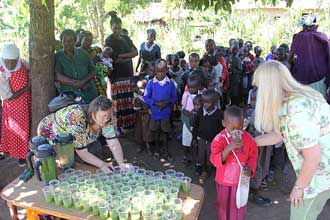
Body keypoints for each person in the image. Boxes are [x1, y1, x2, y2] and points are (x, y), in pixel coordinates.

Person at [253, 60, 330, 220]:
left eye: (260, 87)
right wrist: (251, 142)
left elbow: (313, 158)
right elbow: (280, 134)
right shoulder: (296, 98)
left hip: (321, 174)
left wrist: (299, 187)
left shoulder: (297, 111)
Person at [38, 96, 124, 173]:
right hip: (51, 131)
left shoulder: (105, 117)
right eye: (104, 116)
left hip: (77, 131)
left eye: (109, 115)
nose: (107, 119)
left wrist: (121, 164)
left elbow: (112, 141)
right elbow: (82, 152)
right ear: (93, 115)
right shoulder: (76, 118)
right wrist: (102, 165)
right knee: (70, 163)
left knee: (94, 154)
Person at [210, 106, 258, 220]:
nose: (237, 131)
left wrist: (250, 168)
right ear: (224, 123)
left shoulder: (248, 138)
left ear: (243, 124)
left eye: (239, 127)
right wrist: (228, 148)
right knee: (223, 206)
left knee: (239, 205)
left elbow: (253, 155)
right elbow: (214, 160)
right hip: (224, 182)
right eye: (232, 128)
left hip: (241, 182)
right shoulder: (219, 139)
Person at [105, 11, 138, 131]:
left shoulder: (126, 38)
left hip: (128, 73)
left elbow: (136, 52)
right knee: (118, 101)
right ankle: (118, 126)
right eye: (115, 28)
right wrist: (128, 57)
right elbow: (114, 59)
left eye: (119, 28)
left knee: (128, 99)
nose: (117, 30)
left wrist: (122, 56)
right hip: (116, 75)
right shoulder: (109, 40)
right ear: (111, 27)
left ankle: (128, 123)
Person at [0, 43, 31, 166]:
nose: (10, 65)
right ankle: (21, 156)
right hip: (14, 106)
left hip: (26, 101)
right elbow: (8, 96)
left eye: (13, 61)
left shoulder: (22, 64)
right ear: (3, 59)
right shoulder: (2, 73)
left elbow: (30, 69)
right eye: (7, 62)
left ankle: (25, 151)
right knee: (19, 130)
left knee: (28, 127)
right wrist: (26, 88)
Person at [143, 59, 178, 161]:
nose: (160, 74)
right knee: (156, 132)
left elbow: (175, 97)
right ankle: (158, 150)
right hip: (154, 113)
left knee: (165, 132)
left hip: (166, 113)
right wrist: (155, 103)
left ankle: (166, 151)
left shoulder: (170, 83)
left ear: (167, 70)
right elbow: (146, 97)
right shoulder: (150, 83)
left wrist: (167, 102)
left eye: (162, 71)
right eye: (158, 71)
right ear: (155, 71)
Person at [288, 14, 330, 96]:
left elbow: (292, 58)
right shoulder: (322, 37)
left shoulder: (297, 38)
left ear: (303, 26)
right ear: (316, 26)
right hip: (319, 81)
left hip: (299, 82)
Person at [55, 29, 98, 103]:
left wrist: (83, 82)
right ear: (61, 42)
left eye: (70, 40)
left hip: (88, 93)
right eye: (64, 41)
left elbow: (93, 71)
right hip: (70, 96)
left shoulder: (83, 53)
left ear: (75, 41)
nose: (67, 43)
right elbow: (57, 76)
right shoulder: (58, 56)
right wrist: (76, 83)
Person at [192, 89, 223, 184]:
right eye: (203, 102)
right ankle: (200, 167)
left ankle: (207, 171)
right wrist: (194, 137)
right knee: (200, 154)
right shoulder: (201, 111)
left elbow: (220, 129)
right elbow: (196, 124)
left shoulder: (218, 114)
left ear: (214, 102)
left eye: (208, 102)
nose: (205, 104)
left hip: (212, 141)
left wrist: (219, 142)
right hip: (201, 138)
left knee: (210, 156)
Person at [181, 77, 202, 165]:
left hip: (197, 119)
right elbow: (183, 108)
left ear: (198, 87)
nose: (191, 89)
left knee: (195, 138)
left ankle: (195, 156)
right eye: (189, 87)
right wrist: (190, 114)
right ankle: (186, 156)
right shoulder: (186, 95)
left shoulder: (201, 95)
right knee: (186, 138)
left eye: (193, 87)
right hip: (187, 118)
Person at [133, 78, 152, 154]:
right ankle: (141, 145)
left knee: (148, 133)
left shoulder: (150, 96)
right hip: (140, 118)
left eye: (144, 88)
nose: (142, 91)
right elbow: (137, 109)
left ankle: (149, 147)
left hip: (148, 118)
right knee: (140, 133)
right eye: (140, 89)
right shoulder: (137, 98)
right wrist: (147, 110)